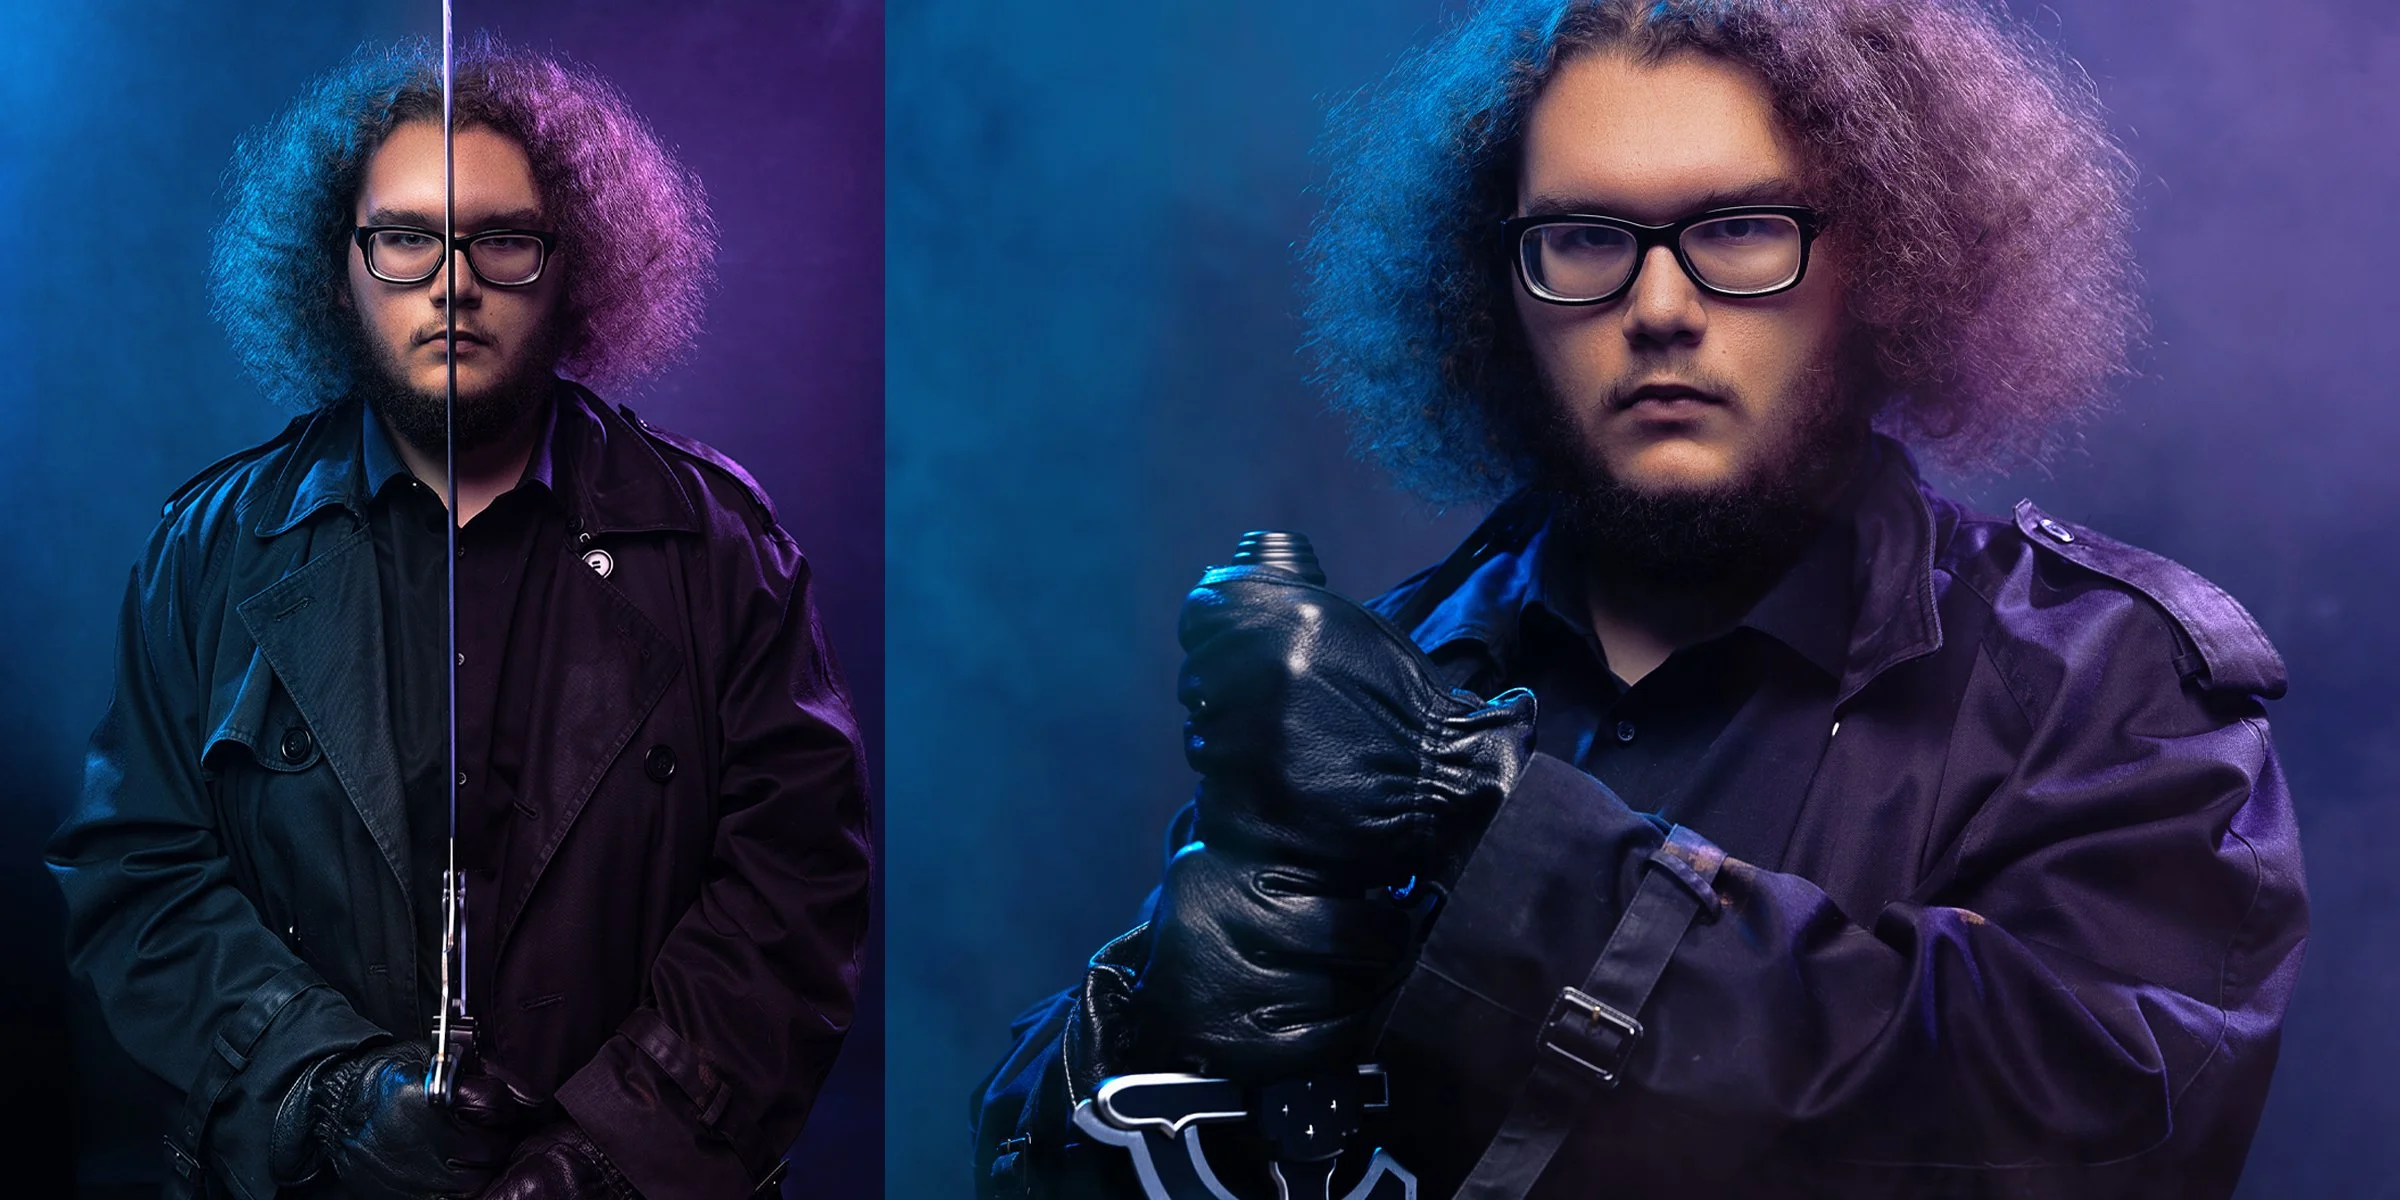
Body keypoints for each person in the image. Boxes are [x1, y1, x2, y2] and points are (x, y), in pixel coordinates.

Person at [973, 1, 2307, 1196]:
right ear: (1498, 286)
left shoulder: (2099, 685)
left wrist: (1483, 816)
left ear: (1887, 258)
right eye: (1582, 238)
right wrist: (1154, 1016)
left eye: (1739, 228)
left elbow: (2113, 1137)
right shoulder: (1391, 671)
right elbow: (1027, 1155)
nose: (1659, 306)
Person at [45, 38, 871, 1200]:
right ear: (337, 268)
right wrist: (333, 1096)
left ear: (571, 266)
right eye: (404, 239)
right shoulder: (211, 550)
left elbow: (797, 889)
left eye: (503, 239)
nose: (453, 284)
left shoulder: (721, 547)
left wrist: (606, 1155)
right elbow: (139, 876)